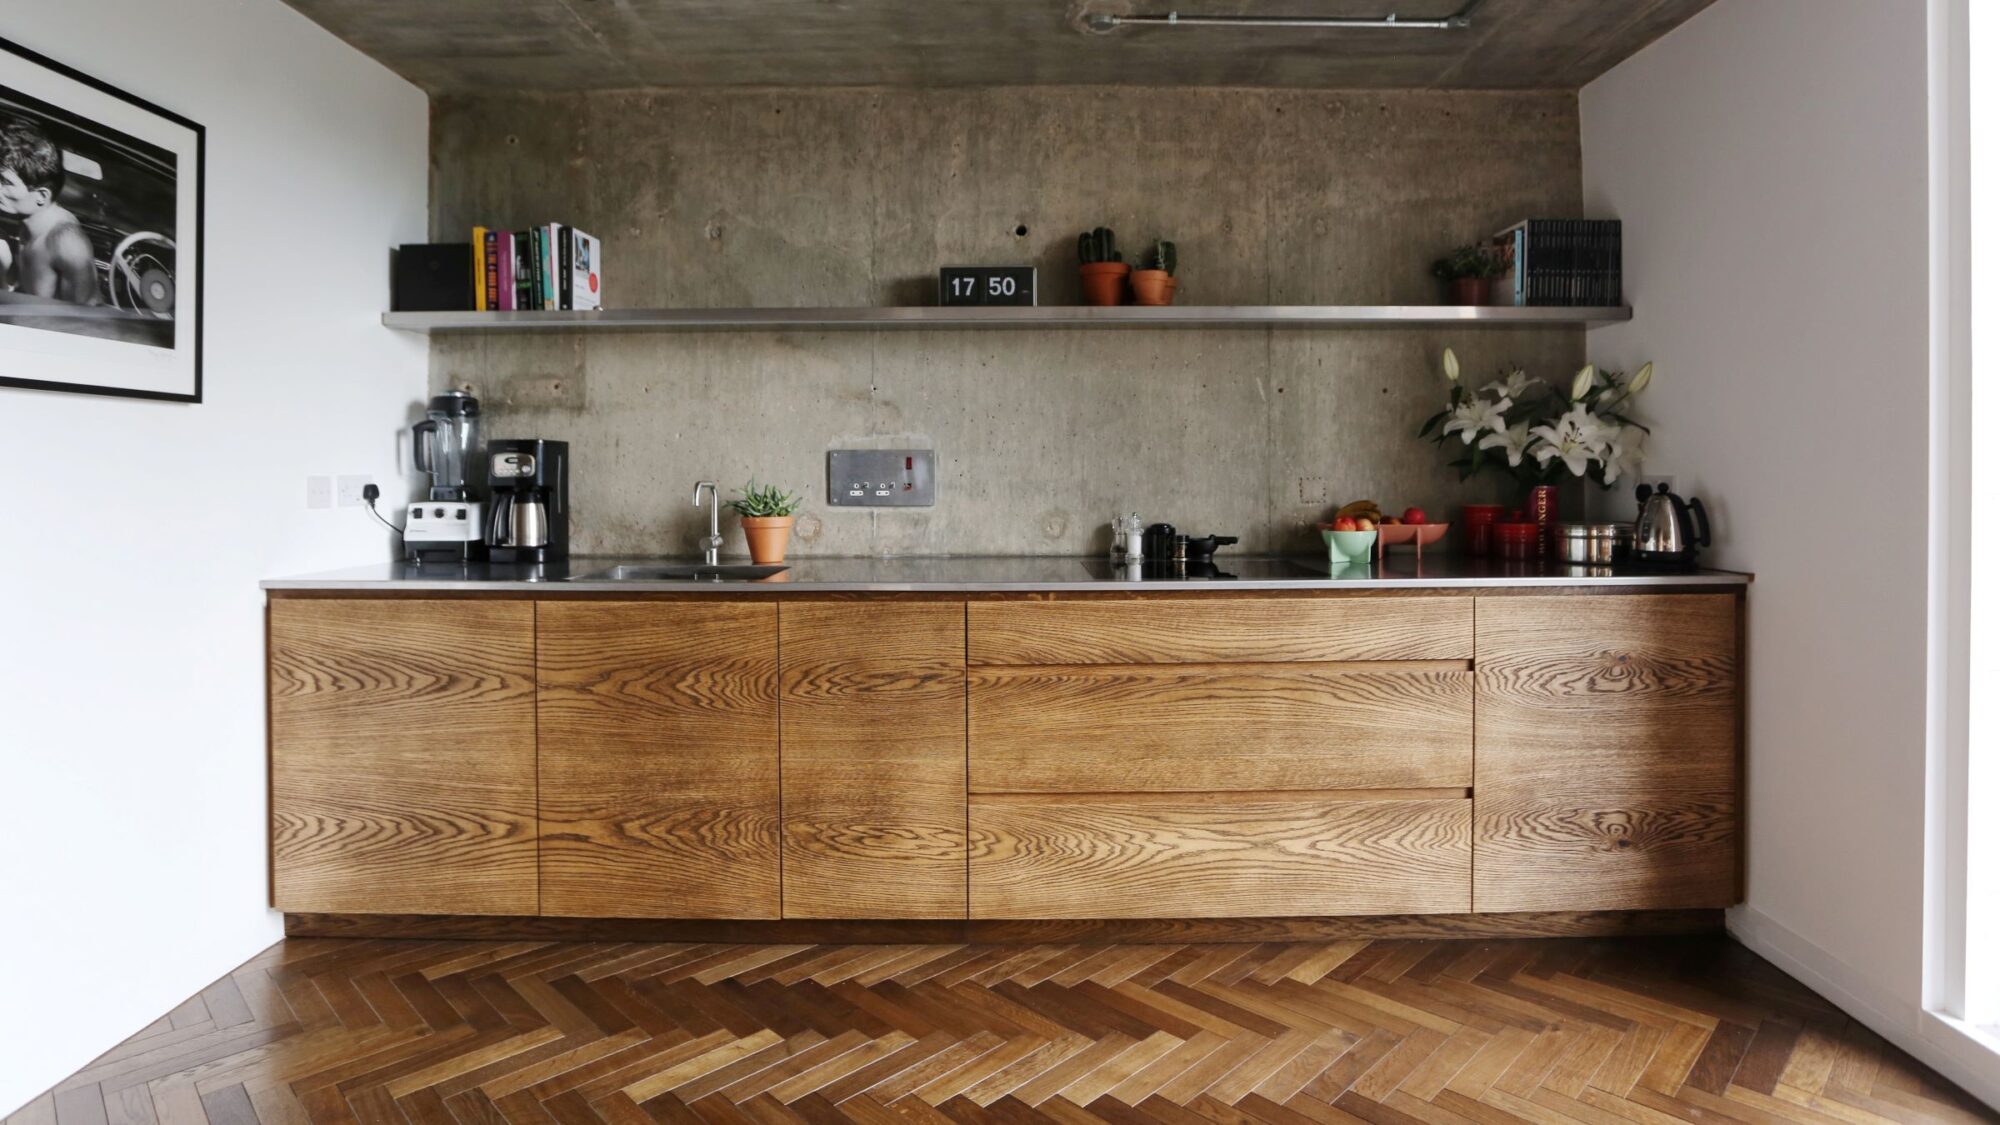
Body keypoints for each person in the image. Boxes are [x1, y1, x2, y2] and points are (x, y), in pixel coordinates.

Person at [0, 117, 99, 305]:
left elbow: (85, 316)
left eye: (6, 182)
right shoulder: (28, 223)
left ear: (41, 196)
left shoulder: (65, 241)